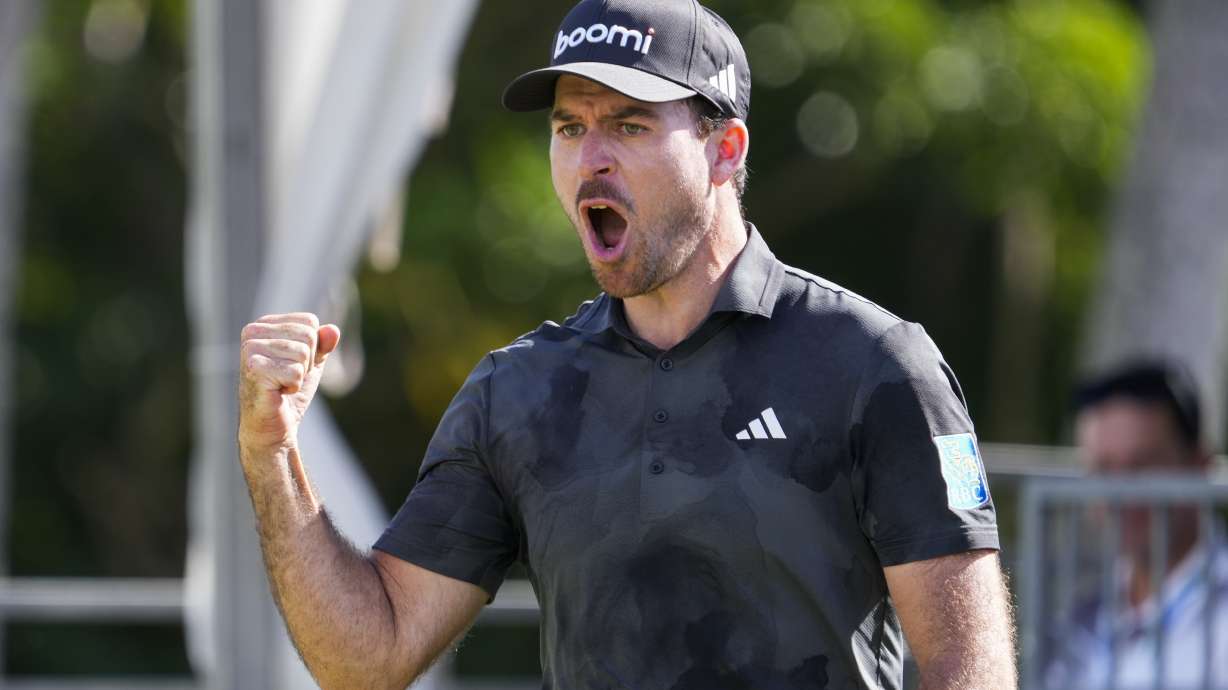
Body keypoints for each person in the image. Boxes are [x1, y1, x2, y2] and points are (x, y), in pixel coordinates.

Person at [237, 1, 1016, 688]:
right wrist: (274, 457)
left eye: (629, 124)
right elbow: (365, 659)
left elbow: (969, 673)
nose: (591, 157)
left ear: (726, 149)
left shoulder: (874, 365)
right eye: (570, 127)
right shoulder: (519, 392)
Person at [1044, 360, 1228, 689]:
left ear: (1200, 467)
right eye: (1103, 468)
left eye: (1142, 466)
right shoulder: (1083, 617)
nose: (1120, 492)